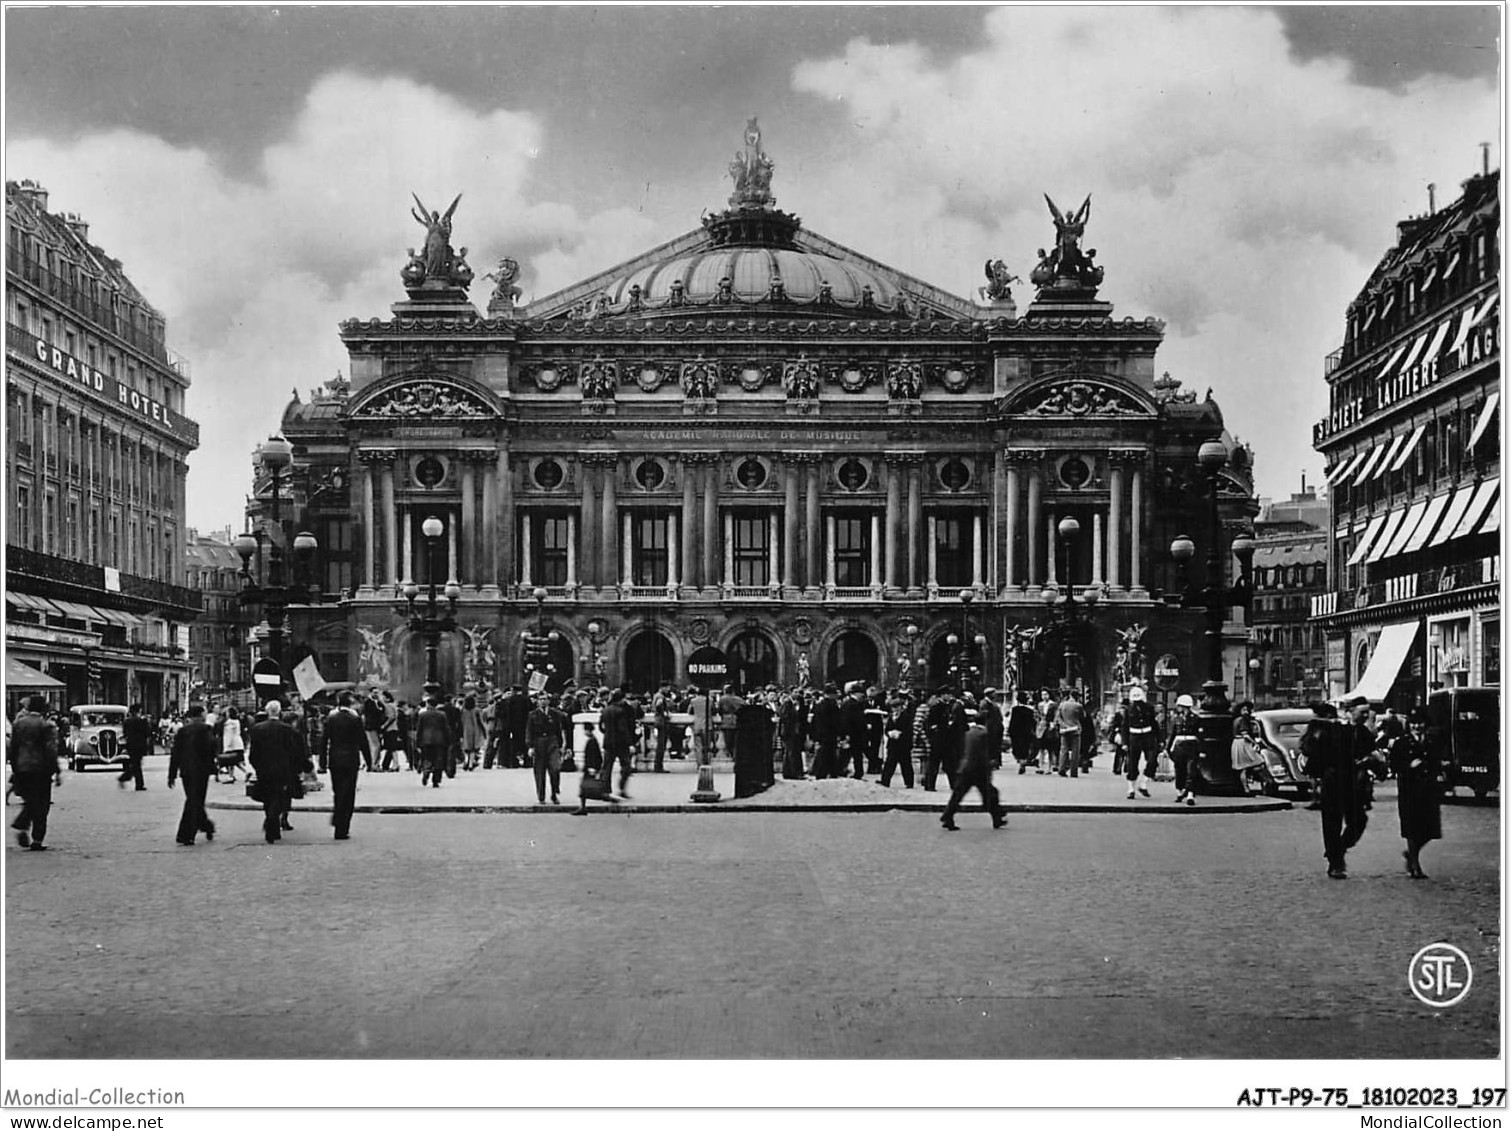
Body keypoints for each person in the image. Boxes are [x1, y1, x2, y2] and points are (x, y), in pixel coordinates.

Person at [1301, 698, 1368, 879]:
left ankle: (1338, 849)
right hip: (1332, 780)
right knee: (1332, 823)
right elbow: (1307, 749)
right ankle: (1336, 863)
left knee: (1358, 820)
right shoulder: (1323, 729)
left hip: (1354, 782)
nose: (1367, 715)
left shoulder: (1356, 730)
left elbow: (1367, 749)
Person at [1388, 708, 1440, 879]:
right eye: (1413, 723)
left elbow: (1436, 761)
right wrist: (1408, 767)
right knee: (1412, 828)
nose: (1417, 726)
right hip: (1410, 789)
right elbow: (1394, 766)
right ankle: (1415, 864)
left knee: (1429, 829)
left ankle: (1411, 854)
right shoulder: (1401, 743)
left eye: (1420, 723)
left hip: (1428, 789)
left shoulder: (1432, 741)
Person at [941, 707, 1008, 831]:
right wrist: (989, 766)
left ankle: (947, 816)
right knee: (991, 794)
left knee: (958, 795)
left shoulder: (969, 733)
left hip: (966, 768)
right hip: (978, 770)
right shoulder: (984, 734)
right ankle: (997, 816)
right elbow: (982, 753)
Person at [8, 696, 61, 851]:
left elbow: (13, 748)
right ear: (43, 708)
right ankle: (36, 838)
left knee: (30, 799)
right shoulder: (46, 726)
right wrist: (56, 770)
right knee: (42, 804)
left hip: (22, 767)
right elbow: (51, 750)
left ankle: (22, 825)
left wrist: (15, 768)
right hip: (41, 768)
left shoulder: (18, 724)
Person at [247, 701, 303, 844]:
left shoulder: (257, 729)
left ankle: (272, 826)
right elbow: (293, 751)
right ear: (279, 712)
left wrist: (257, 766)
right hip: (282, 769)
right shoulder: (287, 729)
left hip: (264, 769)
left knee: (267, 798)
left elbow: (253, 753)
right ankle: (273, 824)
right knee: (278, 797)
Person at [167, 703, 217, 846]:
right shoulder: (206, 729)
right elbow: (211, 749)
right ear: (201, 715)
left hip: (186, 771)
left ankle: (205, 826)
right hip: (201, 771)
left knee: (193, 800)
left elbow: (175, 753)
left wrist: (172, 774)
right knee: (195, 801)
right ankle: (187, 834)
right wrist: (214, 766)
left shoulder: (183, 731)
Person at [324, 692, 367, 840]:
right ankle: (343, 827)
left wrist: (322, 762)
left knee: (337, 791)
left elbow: (324, 741)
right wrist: (369, 760)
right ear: (349, 703)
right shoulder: (355, 719)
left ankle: (338, 818)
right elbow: (363, 741)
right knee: (348, 793)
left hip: (335, 758)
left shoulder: (331, 719)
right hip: (351, 758)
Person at [525, 692, 565, 805]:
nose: (543, 701)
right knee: (539, 771)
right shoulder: (532, 715)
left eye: (545, 699)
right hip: (538, 744)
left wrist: (561, 746)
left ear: (549, 701)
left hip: (552, 743)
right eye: (540, 699)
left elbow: (558, 730)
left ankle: (554, 793)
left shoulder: (555, 714)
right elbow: (529, 731)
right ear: (537, 701)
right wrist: (530, 747)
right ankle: (541, 796)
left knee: (555, 769)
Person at [1122, 686, 1160, 799]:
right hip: (1134, 737)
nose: (1137, 703)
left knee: (1152, 760)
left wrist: (1160, 739)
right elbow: (1125, 726)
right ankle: (1131, 789)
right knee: (1132, 763)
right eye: (1135, 700)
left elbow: (1154, 724)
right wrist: (1124, 742)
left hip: (1148, 736)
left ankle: (1143, 783)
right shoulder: (1128, 710)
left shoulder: (1149, 708)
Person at [598, 688, 638, 798]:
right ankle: (621, 788)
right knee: (626, 766)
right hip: (621, 743)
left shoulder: (605, 710)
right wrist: (630, 743)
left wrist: (607, 733)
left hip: (608, 742)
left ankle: (605, 790)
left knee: (607, 768)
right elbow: (623, 729)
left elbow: (601, 726)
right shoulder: (621, 712)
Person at [1166, 694, 1200, 805]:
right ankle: (1179, 791)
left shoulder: (1196, 718)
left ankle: (1190, 794)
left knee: (1191, 771)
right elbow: (1173, 734)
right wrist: (1168, 748)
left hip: (1191, 745)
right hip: (1179, 746)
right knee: (1179, 770)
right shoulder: (1177, 719)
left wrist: (1201, 750)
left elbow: (1200, 735)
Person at [879, 691, 916, 789]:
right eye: (893, 707)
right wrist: (889, 733)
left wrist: (900, 734)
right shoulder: (891, 717)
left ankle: (909, 782)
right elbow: (887, 729)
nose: (895, 709)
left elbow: (909, 731)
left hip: (903, 744)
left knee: (906, 764)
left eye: (897, 707)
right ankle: (885, 781)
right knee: (889, 763)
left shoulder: (906, 717)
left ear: (901, 707)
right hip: (893, 744)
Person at [415, 694, 451, 789]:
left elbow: (419, 729)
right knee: (438, 760)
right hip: (439, 740)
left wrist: (417, 742)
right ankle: (436, 780)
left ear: (428, 704)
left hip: (426, 740)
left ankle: (426, 770)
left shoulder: (422, 715)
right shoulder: (442, 715)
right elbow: (446, 728)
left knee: (427, 757)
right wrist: (448, 740)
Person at [810, 684, 841, 779]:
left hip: (820, 733)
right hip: (830, 733)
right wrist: (839, 732)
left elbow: (814, 721)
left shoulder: (819, 705)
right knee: (829, 753)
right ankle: (827, 772)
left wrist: (814, 735)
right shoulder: (832, 705)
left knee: (824, 753)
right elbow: (835, 721)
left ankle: (823, 772)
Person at [119, 702, 152, 790]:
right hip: (140, 745)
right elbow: (147, 733)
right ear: (139, 711)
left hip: (130, 745)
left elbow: (125, 733)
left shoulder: (127, 721)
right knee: (136, 764)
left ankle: (138, 783)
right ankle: (127, 778)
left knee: (135, 764)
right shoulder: (142, 721)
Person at [839, 682, 869, 781]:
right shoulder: (853, 704)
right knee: (855, 754)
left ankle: (846, 770)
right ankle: (856, 772)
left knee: (852, 753)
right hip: (855, 733)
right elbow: (850, 720)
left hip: (853, 733)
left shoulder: (847, 703)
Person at [1054, 689, 1084, 778]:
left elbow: (1058, 718)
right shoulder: (1078, 706)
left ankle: (1061, 769)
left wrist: (1064, 725)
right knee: (1075, 751)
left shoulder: (1062, 705)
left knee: (1064, 750)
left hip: (1064, 730)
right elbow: (1083, 716)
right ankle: (1073, 771)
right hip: (1075, 730)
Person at [1008, 691, 1037, 774]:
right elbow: (1032, 722)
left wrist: (1010, 731)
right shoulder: (1030, 711)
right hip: (1026, 732)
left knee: (1016, 748)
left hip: (1016, 732)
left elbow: (1012, 722)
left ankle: (1020, 760)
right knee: (1025, 747)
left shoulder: (1015, 709)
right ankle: (1023, 760)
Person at [217, 706, 248, 783]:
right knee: (234, 761)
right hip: (238, 743)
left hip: (232, 745)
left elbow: (229, 736)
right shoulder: (237, 721)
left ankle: (244, 773)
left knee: (232, 761)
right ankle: (232, 776)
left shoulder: (229, 723)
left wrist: (227, 746)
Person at [460, 694, 486, 772]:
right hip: (475, 730)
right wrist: (484, 731)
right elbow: (480, 721)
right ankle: (471, 764)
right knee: (473, 749)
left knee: (466, 748)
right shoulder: (477, 710)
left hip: (465, 730)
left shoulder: (462, 710)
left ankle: (466, 760)